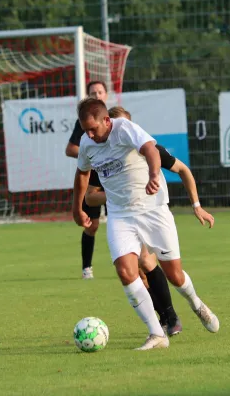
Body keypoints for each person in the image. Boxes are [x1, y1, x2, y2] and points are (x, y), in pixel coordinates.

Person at [72, 98, 220, 350]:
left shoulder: (125, 129)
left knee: (174, 274)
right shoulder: (88, 143)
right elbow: (82, 173)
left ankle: (196, 303)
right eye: (85, 129)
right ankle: (156, 333)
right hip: (121, 215)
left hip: (153, 210)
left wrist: (154, 175)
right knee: (125, 271)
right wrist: (77, 208)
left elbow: (151, 149)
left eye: (93, 129)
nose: (89, 134)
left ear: (107, 121)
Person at [65, 81, 109, 279]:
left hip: (116, 177)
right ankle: (87, 268)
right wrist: (92, 155)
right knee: (92, 225)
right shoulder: (83, 123)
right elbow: (71, 149)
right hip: (93, 179)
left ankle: (138, 265)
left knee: (126, 220)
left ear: (106, 95)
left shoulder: (115, 119)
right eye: (93, 93)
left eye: (100, 92)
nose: (97, 95)